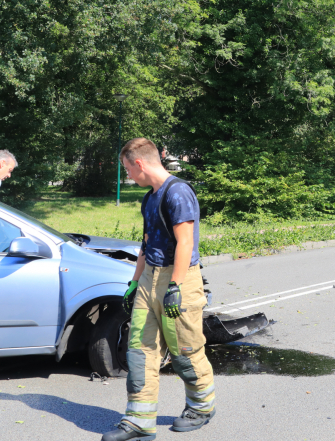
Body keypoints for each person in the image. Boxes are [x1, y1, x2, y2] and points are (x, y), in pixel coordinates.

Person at [103, 138, 215, 441]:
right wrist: (135, 282)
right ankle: (139, 420)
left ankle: (202, 406)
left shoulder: (178, 193)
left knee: (184, 350)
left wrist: (175, 285)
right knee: (139, 350)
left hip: (179, 279)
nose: (128, 176)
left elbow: (186, 242)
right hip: (149, 279)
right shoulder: (150, 197)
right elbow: (147, 242)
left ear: (139, 163)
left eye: (127, 169)